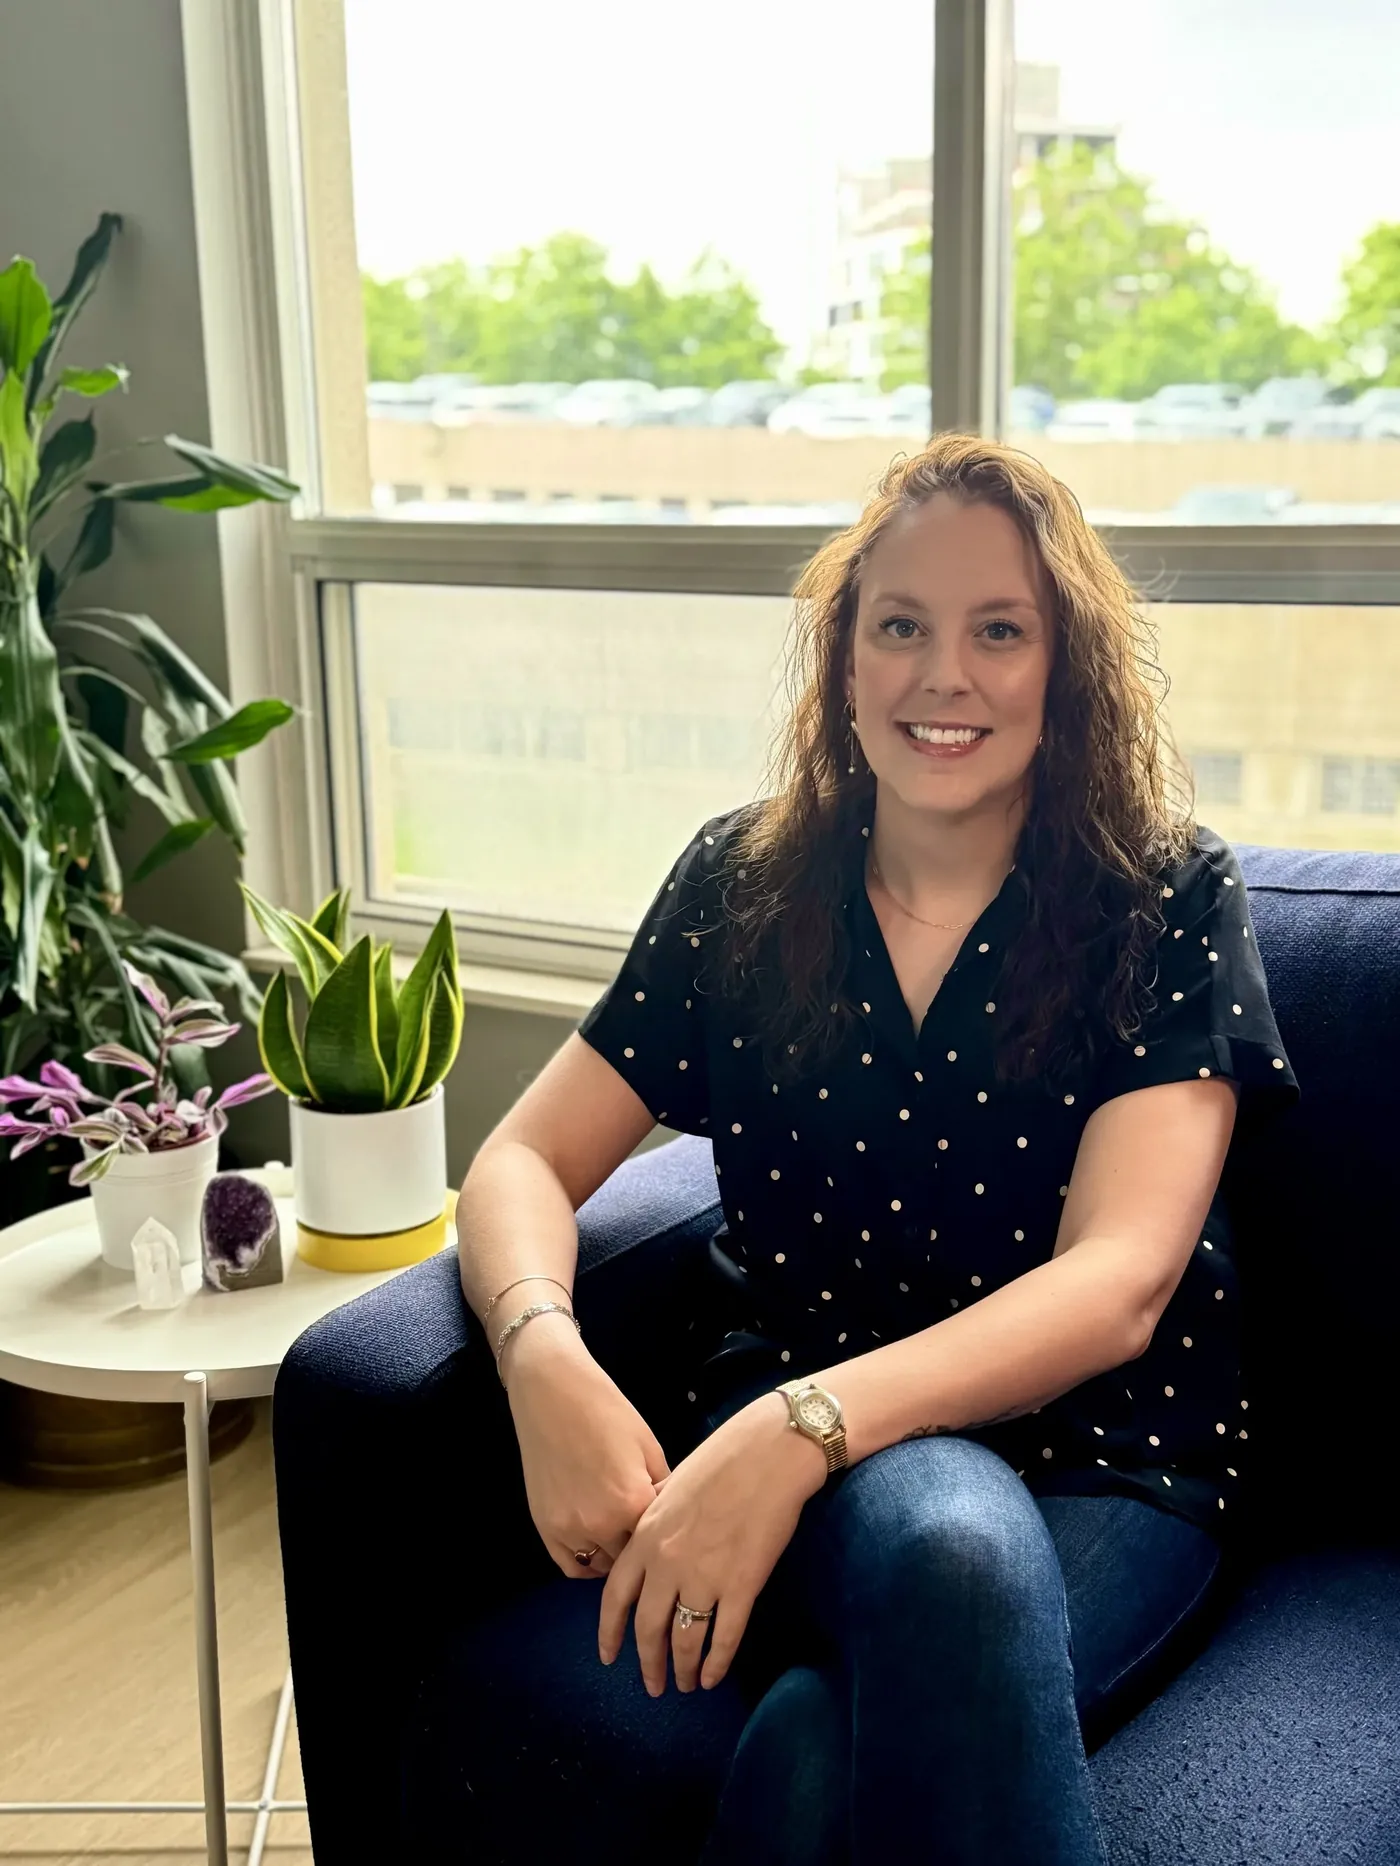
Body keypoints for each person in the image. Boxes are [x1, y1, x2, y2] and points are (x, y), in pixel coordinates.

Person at [448, 433, 1298, 1865]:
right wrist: (543, 1357)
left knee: (814, 1747)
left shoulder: (1165, 894)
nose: (942, 673)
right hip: (816, 1483)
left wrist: (798, 1427)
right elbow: (521, 1164)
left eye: (999, 630)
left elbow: (1120, 1283)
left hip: (1102, 1467)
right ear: (845, 658)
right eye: (899, 623)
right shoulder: (741, 879)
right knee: (935, 1542)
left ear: (1063, 667)